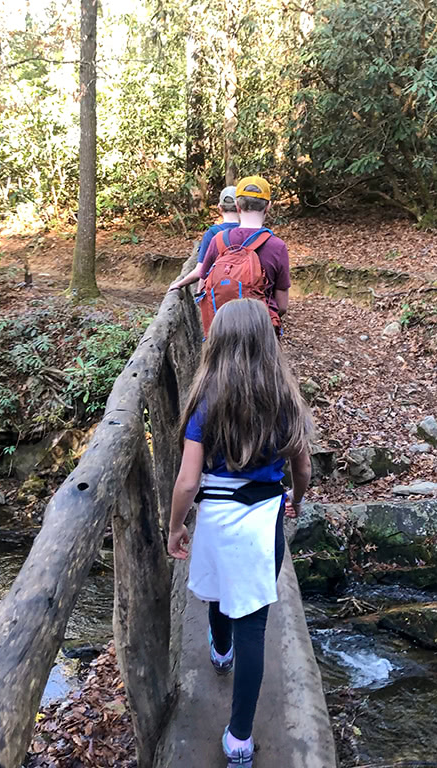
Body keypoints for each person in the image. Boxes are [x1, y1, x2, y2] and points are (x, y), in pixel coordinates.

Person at [166, 298, 313, 768]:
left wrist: (175, 526)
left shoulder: (205, 403)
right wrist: (297, 496)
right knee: (255, 621)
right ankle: (240, 739)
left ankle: (220, 649)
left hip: (216, 517)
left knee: (216, 592)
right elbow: (303, 467)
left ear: (219, 342)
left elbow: (188, 481)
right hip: (262, 519)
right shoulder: (285, 399)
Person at [198, 175, 291, 327]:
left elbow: (202, 289)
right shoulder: (277, 246)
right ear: (268, 206)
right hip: (260, 328)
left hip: (222, 327)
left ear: (237, 206)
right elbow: (282, 306)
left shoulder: (218, 240)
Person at [169, 186, 240, 292]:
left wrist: (179, 284)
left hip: (220, 294)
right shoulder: (250, 233)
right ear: (240, 207)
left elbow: (200, 271)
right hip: (248, 295)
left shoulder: (212, 234)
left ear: (219, 208)